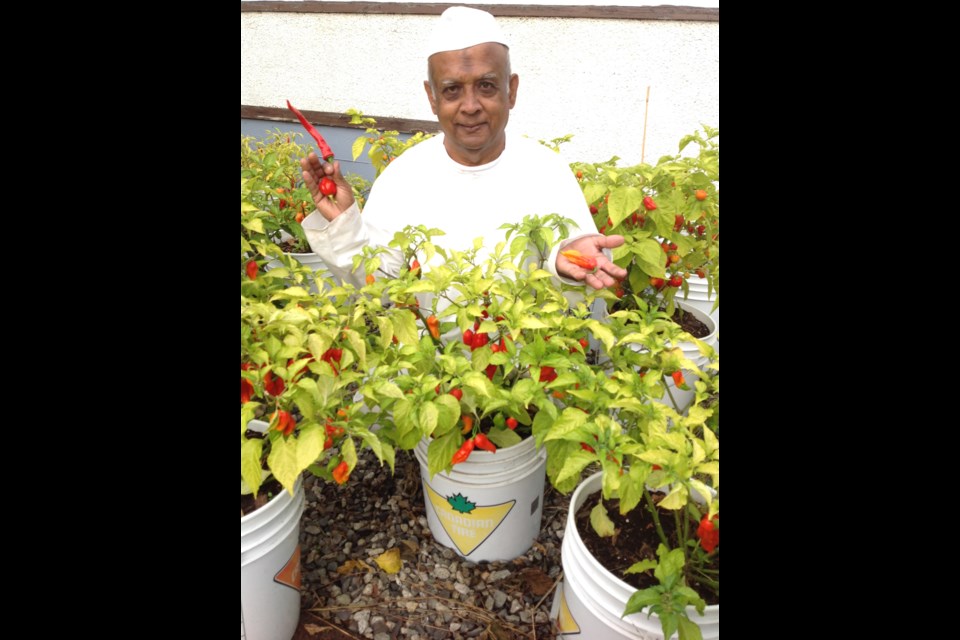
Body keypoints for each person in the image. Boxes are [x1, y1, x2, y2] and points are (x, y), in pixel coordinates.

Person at [299, 6, 626, 291]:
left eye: (486, 86)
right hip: (425, 360)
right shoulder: (403, 177)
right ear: (432, 97)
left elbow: (579, 280)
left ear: (510, 91)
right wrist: (344, 225)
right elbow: (379, 286)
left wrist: (564, 260)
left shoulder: (548, 170)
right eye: (452, 90)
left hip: (522, 361)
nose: (470, 106)